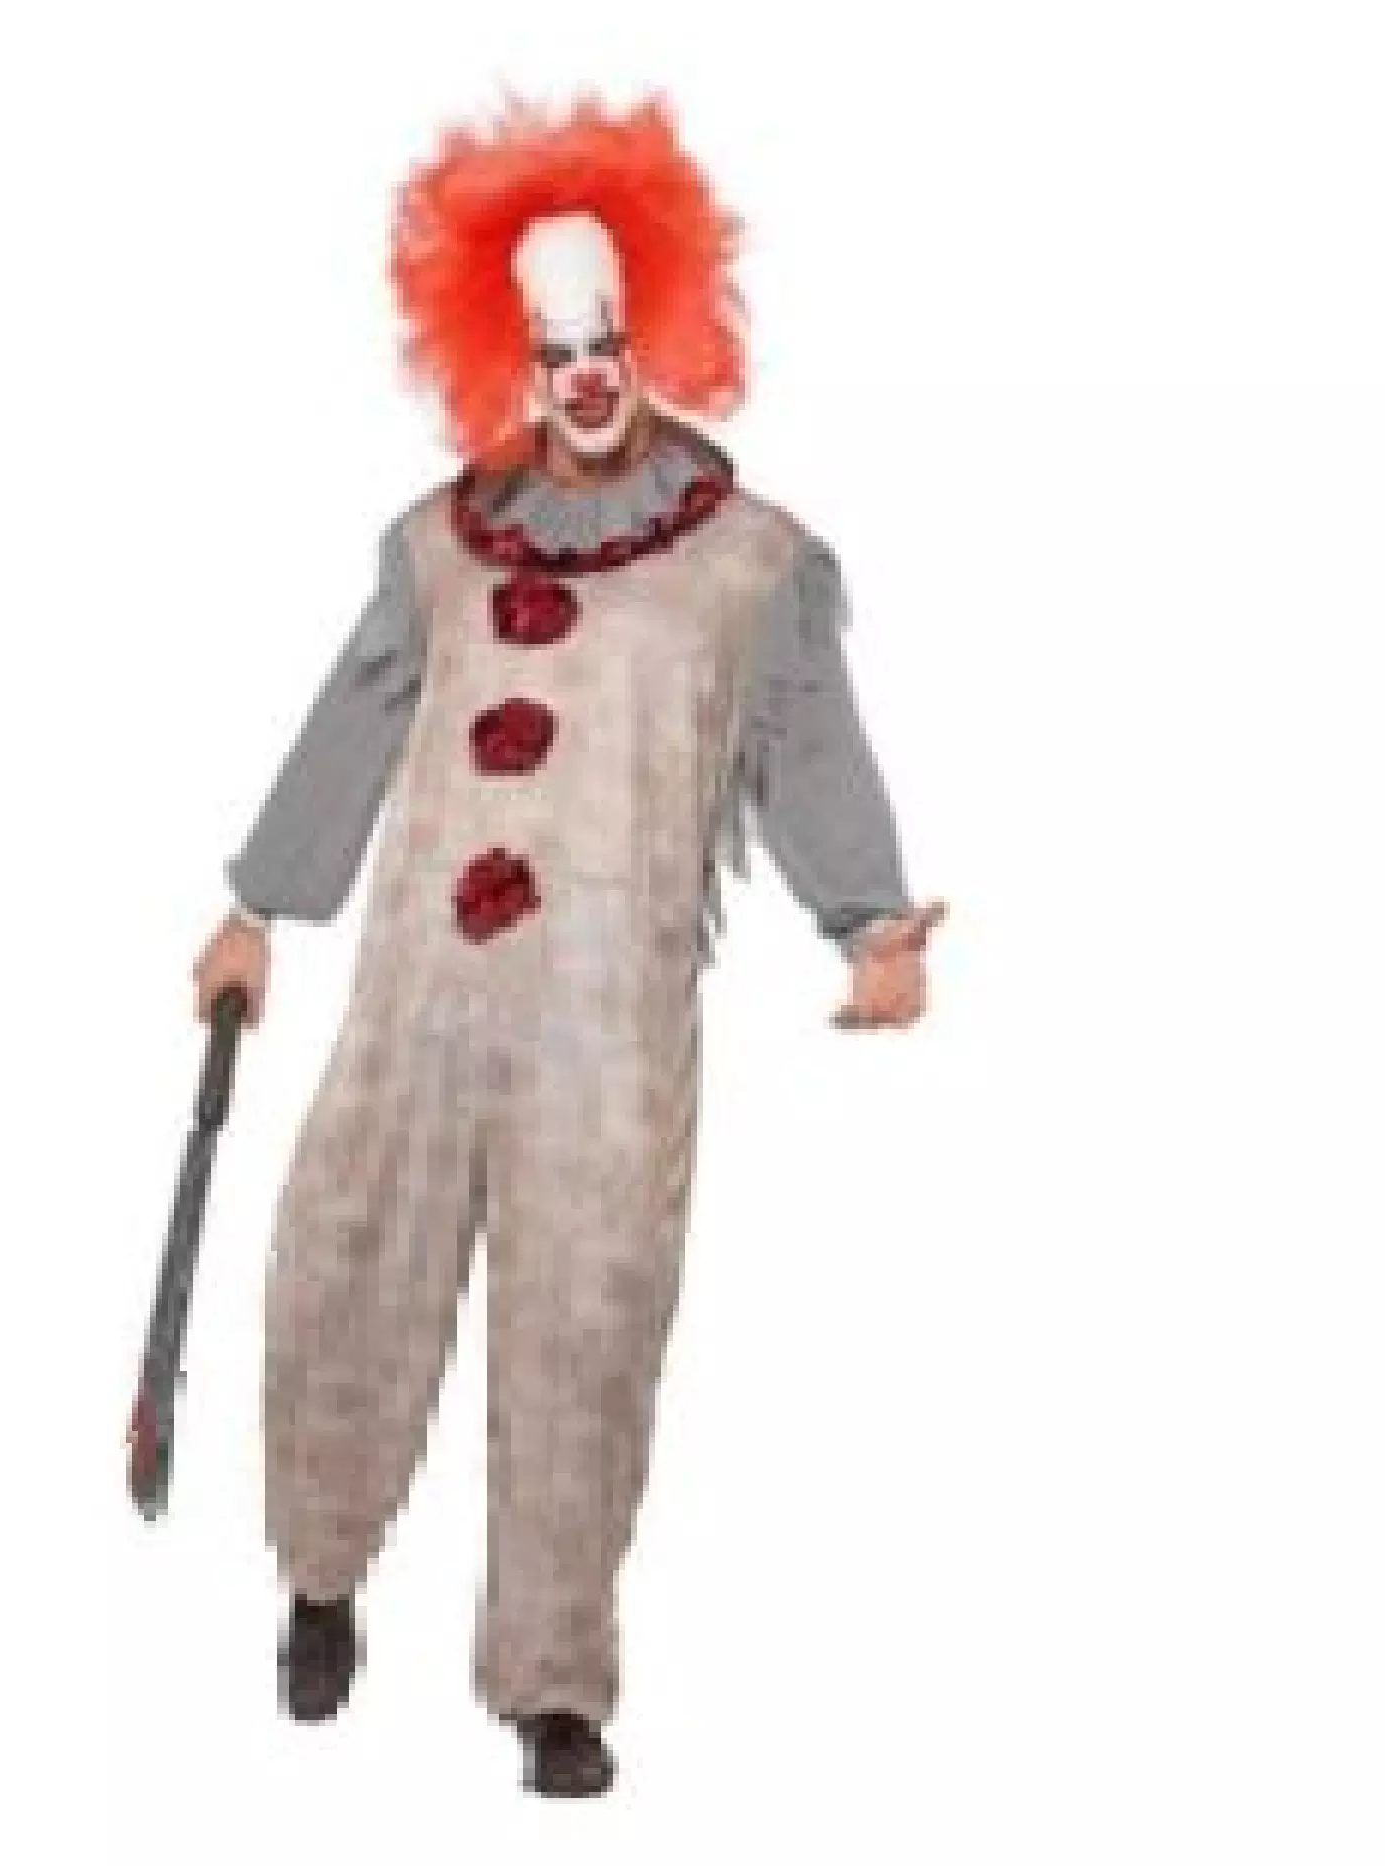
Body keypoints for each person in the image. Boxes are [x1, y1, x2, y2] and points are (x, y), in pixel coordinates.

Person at [188, 93, 943, 1798]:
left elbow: (811, 747)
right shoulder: (436, 548)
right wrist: (257, 909)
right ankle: (321, 1578)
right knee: (344, 1266)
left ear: (655, 333)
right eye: (554, 352)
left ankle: (550, 1678)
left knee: (588, 1326)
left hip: (611, 1029)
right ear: (507, 361)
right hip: (418, 998)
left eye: (608, 343)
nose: (588, 378)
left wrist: (872, 922)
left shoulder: (750, 566)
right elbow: (351, 721)